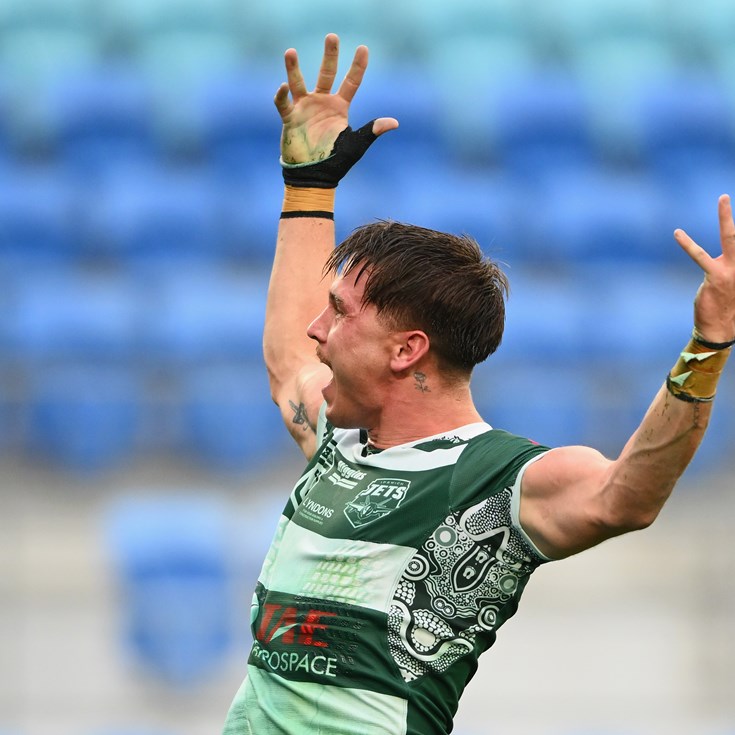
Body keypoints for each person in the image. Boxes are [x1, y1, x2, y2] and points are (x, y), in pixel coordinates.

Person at [222, 34, 735, 735]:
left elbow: (624, 496)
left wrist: (708, 343)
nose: (316, 329)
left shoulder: (496, 478)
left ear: (407, 350)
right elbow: (288, 361)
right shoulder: (341, 442)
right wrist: (308, 188)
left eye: (339, 312)